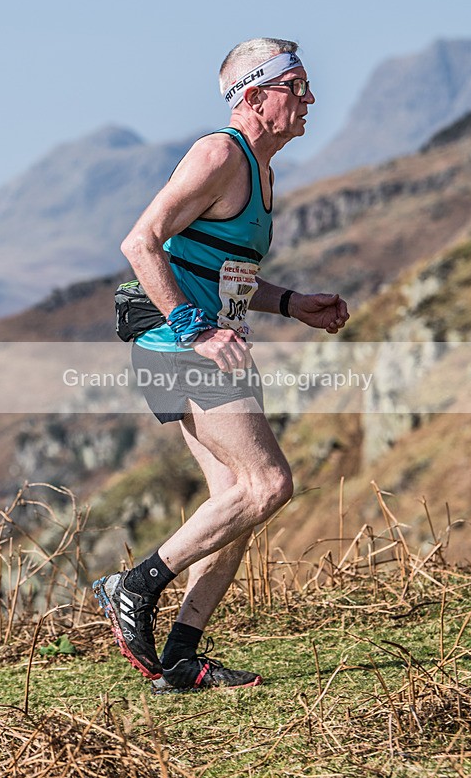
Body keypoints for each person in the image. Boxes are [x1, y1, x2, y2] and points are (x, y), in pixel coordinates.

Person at [93, 37, 349, 693]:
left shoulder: (260, 174)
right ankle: (135, 585)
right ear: (254, 95)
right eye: (296, 85)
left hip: (198, 340)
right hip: (170, 341)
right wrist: (196, 329)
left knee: (237, 503)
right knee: (267, 484)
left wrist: (291, 302)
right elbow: (139, 243)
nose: (309, 98)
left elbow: (224, 273)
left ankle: (180, 660)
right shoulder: (218, 154)